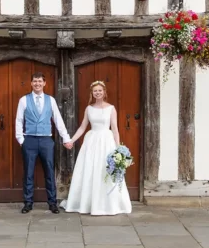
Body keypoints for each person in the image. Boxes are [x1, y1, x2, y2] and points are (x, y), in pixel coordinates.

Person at [62, 80, 132, 216]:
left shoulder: (111, 108)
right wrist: (71, 140)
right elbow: (83, 127)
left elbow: (115, 129)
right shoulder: (89, 109)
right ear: (92, 93)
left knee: (105, 170)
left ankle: (109, 205)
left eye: (100, 90)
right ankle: (88, 203)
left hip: (106, 141)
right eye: (95, 91)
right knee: (90, 169)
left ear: (104, 92)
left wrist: (118, 149)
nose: (98, 93)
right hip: (92, 141)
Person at [15, 72, 73, 214]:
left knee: (49, 172)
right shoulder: (24, 100)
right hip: (29, 139)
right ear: (31, 83)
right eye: (35, 81)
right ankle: (28, 203)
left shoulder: (50, 100)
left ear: (44, 83)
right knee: (28, 172)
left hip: (46, 140)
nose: (37, 84)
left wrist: (66, 138)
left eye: (40, 81)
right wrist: (21, 140)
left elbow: (58, 120)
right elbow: (19, 120)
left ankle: (52, 203)